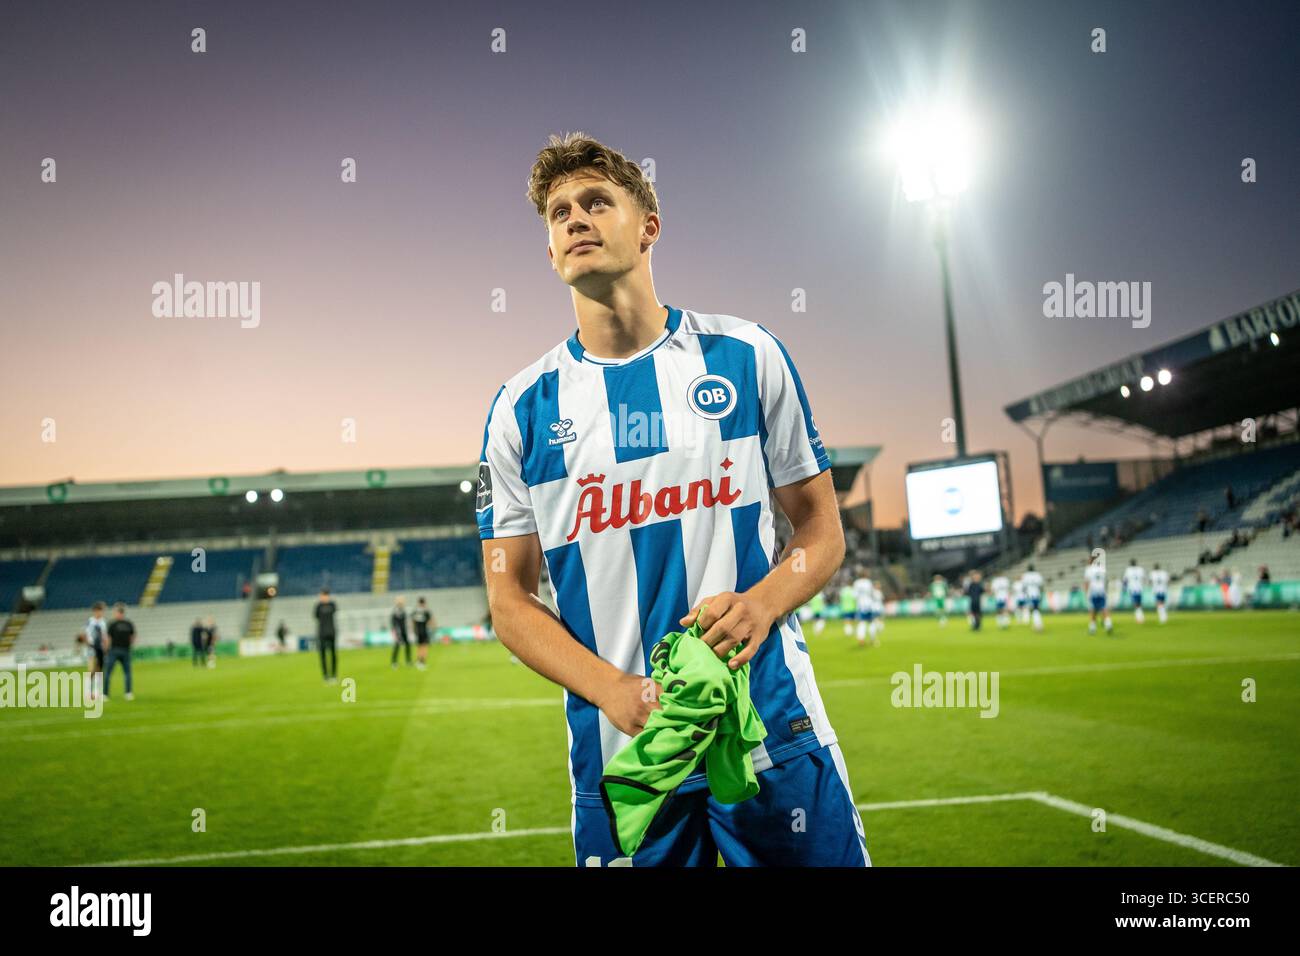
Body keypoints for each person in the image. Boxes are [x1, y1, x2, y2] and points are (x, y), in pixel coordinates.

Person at [477, 133, 869, 867]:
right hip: (626, 761)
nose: (574, 219)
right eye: (558, 212)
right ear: (550, 250)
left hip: (771, 732)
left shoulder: (747, 356)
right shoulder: (520, 410)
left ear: (648, 226)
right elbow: (509, 601)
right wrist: (614, 690)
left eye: (597, 201)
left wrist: (762, 603)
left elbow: (821, 529)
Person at [103, 602, 137, 701]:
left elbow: (108, 638)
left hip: (117, 651)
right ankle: (127, 693)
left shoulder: (113, 624)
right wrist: (130, 645)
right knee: (125, 673)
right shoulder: (128, 624)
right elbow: (133, 636)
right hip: (122, 650)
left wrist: (106, 650)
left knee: (110, 673)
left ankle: (106, 694)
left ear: (118, 613)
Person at [82, 601, 108, 701]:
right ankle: (88, 692)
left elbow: (105, 636)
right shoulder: (90, 621)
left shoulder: (103, 622)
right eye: (100, 610)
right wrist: (88, 644)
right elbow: (85, 634)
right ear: (95, 611)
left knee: (99, 671)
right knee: (91, 670)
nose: (101, 613)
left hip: (100, 649)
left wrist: (105, 648)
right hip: (92, 649)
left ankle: (97, 693)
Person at [314, 588, 338, 682]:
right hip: (322, 633)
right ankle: (325, 675)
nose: (322, 597)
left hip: (331, 632)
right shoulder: (318, 606)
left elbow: (335, 611)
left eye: (324, 595)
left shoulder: (332, 604)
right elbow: (315, 616)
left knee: (333, 654)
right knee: (323, 655)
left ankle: (334, 675)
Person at [1085, 555, 1113, 635]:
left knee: (1092, 610)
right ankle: (1108, 624)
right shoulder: (1102, 569)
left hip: (1093, 592)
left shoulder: (1088, 569)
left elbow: (1087, 582)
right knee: (1104, 608)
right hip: (1102, 591)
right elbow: (1106, 581)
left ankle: (1092, 628)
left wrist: (1086, 593)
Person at [851, 569, 877, 646]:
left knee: (861, 623)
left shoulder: (856, 583)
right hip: (869, 605)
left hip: (860, 606)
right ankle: (872, 639)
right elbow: (873, 594)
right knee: (871, 622)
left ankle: (861, 639)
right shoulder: (868, 582)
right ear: (866, 575)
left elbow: (854, 596)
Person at [1021, 563, 1045, 632]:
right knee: (1036, 609)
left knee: (1033, 610)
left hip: (1029, 595)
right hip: (1037, 594)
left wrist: (1025, 595)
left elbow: (1024, 587)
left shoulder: (1025, 576)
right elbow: (1041, 586)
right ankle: (1038, 623)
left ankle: (1038, 625)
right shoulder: (1037, 575)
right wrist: (1041, 594)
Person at [411, 597, 435, 670]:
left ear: (418, 603)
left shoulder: (415, 611)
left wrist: (413, 630)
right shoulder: (426, 611)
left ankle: (418, 661)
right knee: (424, 647)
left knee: (419, 647)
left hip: (417, 632)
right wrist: (433, 628)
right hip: (424, 631)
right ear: (424, 603)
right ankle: (423, 662)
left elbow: (413, 621)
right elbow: (431, 621)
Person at [1122, 558, 1147, 624]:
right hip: (1139, 588)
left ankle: (1139, 618)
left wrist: (1124, 588)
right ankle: (1140, 617)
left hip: (1132, 589)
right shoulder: (1140, 569)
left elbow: (1125, 580)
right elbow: (1144, 578)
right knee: (1139, 604)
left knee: (1136, 604)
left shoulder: (1128, 570)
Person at [390, 596, 411, 668]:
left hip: (403, 630)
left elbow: (404, 621)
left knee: (407, 645)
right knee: (397, 645)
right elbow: (393, 622)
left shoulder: (402, 610)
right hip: (398, 631)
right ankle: (394, 662)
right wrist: (395, 631)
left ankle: (408, 661)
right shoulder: (396, 611)